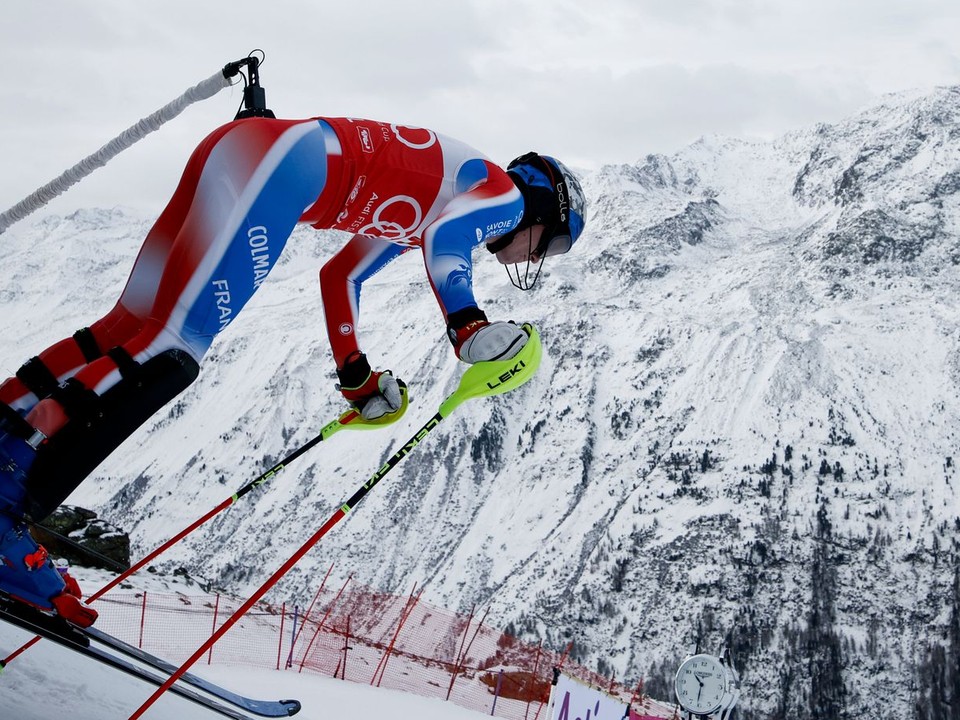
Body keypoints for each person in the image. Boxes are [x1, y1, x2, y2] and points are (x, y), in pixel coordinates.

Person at [0, 115, 587, 626]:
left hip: (251, 150)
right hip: (284, 171)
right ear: (542, 208)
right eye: (553, 244)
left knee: (126, 328)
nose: (537, 259)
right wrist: (469, 327)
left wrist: (355, 375)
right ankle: (7, 513)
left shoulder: (442, 200)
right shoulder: (504, 195)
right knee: (172, 351)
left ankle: (6, 430)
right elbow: (448, 242)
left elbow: (341, 277)